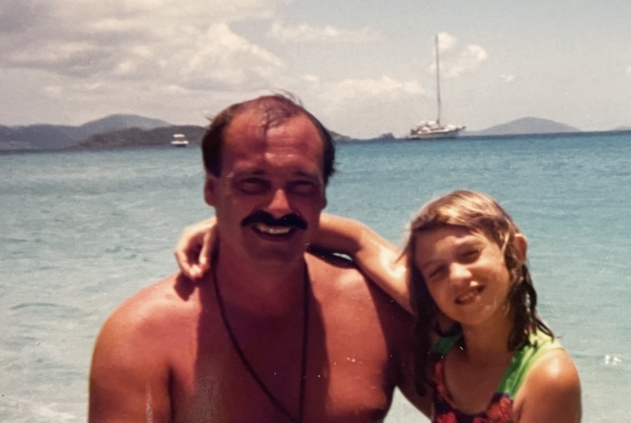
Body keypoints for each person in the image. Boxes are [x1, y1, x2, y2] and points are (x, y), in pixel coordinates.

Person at [89, 94, 427, 423]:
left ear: (323, 194)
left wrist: (356, 237)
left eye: (301, 185)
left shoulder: (375, 308)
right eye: (253, 183)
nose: (279, 206)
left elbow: (474, 409)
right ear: (211, 189)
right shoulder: (142, 336)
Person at [177, 190, 582, 422]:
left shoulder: (545, 376)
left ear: (516, 251)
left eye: (471, 254)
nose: (457, 277)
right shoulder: (445, 331)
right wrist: (240, 227)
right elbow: (357, 242)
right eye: (436, 271)